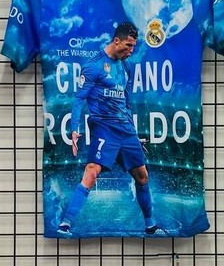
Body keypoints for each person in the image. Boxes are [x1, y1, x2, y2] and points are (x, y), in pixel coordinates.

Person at [57, 21, 167, 237]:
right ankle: (65, 224)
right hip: (104, 127)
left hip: (126, 130)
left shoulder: (125, 68)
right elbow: (79, 99)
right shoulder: (94, 66)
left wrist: (134, 135)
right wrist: (74, 129)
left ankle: (150, 226)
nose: (131, 51)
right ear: (116, 41)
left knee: (142, 177)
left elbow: (126, 104)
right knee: (91, 172)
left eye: (133, 46)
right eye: (128, 45)